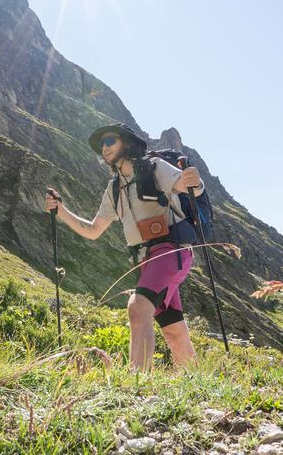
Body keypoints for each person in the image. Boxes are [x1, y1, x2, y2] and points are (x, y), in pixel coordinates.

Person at [45, 123, 203, 370]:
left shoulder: (155, 168)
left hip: (171, 251)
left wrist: (196, 181)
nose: (104, 148)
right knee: (174, 332)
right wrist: (61, 211)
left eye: (109, 141)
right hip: (145, 261)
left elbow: (187, 186)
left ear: (127, 143)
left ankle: (137, 383)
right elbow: (94, 230)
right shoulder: (114, 189)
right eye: (101, 145)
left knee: (138, 307)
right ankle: (198, 383)